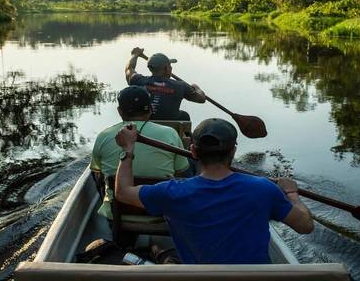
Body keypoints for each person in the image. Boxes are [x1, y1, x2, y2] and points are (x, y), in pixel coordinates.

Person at [113, 118, 314, 264]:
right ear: (233, 151)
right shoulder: (263, 188)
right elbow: (305, 226)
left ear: (193, 151)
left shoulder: (171, 193)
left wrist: (128, 149)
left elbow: (122, 191)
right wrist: (290, 193)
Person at [90, 85, 190, 224]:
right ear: (150, 110)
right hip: (161, 208)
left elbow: (98, 174)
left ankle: (114, 225)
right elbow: (180, 172)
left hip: (119, 209)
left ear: (120, 111)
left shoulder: (103, 136)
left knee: (97, 175)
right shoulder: (170, 134)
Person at [125, 47, 206, 121]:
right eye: (170, 65)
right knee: (184, 116)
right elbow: (202, 99)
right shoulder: (180, 86)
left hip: (147, 124)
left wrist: (134, 55)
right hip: (170, 127)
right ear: (167, 69)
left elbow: (129, 69)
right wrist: (197, 88)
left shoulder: (139, 80)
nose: (171, 67)